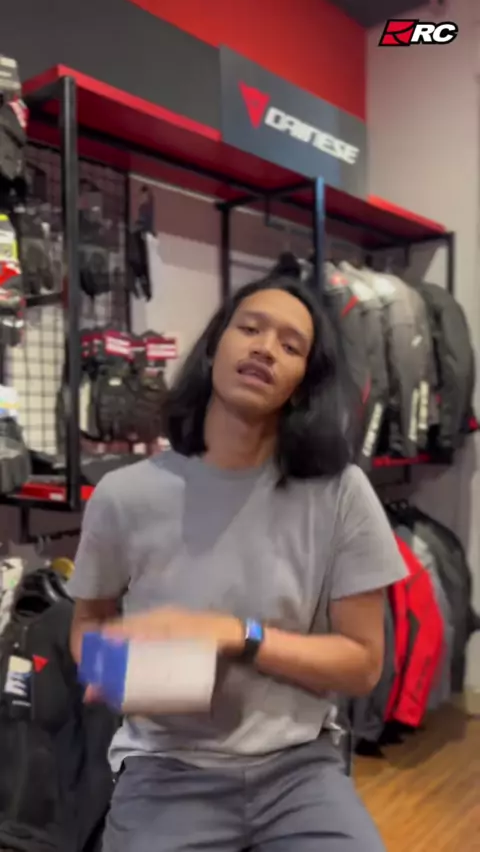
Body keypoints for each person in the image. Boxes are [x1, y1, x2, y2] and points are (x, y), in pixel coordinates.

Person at [69, 276, 406, 852]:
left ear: (301, 386)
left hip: (298, 769)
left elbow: (363, 665)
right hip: (165, 767)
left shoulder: (340, 493)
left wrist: (236, 636)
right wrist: (112, 668)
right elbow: (88, 625)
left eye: (290, 346)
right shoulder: (124, 496)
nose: (265, 348)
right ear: (213, 349)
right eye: (250, 328)